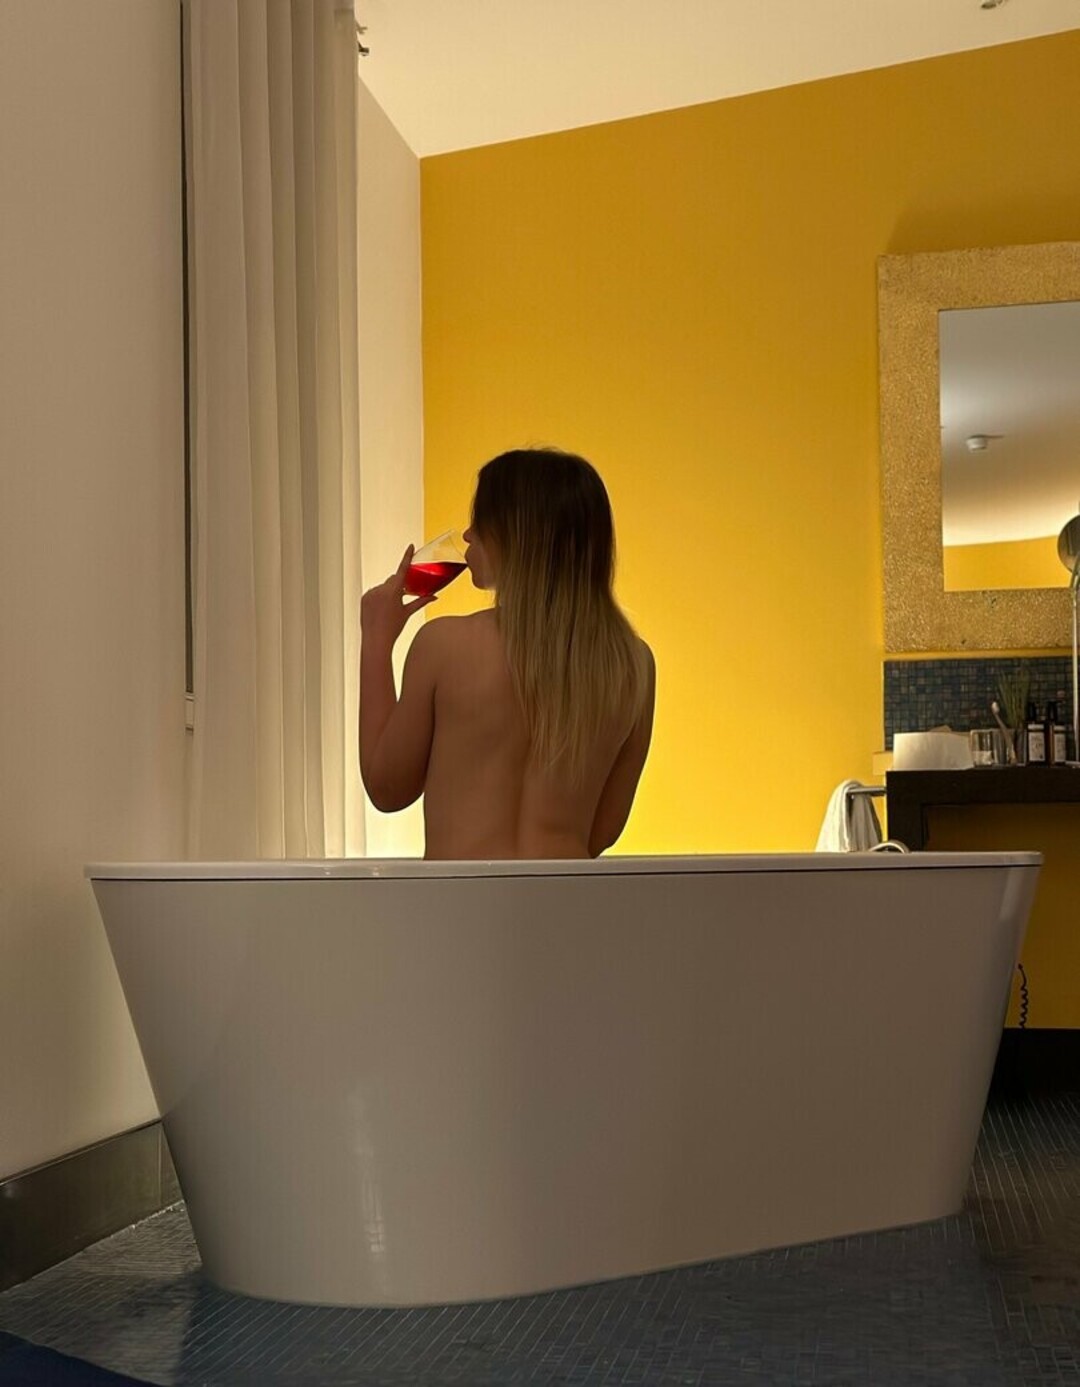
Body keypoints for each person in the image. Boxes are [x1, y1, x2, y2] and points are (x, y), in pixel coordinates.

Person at [359, 447, 655, 859]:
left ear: (514, 536)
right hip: (568, 895)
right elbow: (603, 830)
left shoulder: (443, 645)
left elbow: (387, 789)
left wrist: (376, 638)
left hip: (463, 895)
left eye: (480, 522)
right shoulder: (632, 664)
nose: (467, 536)